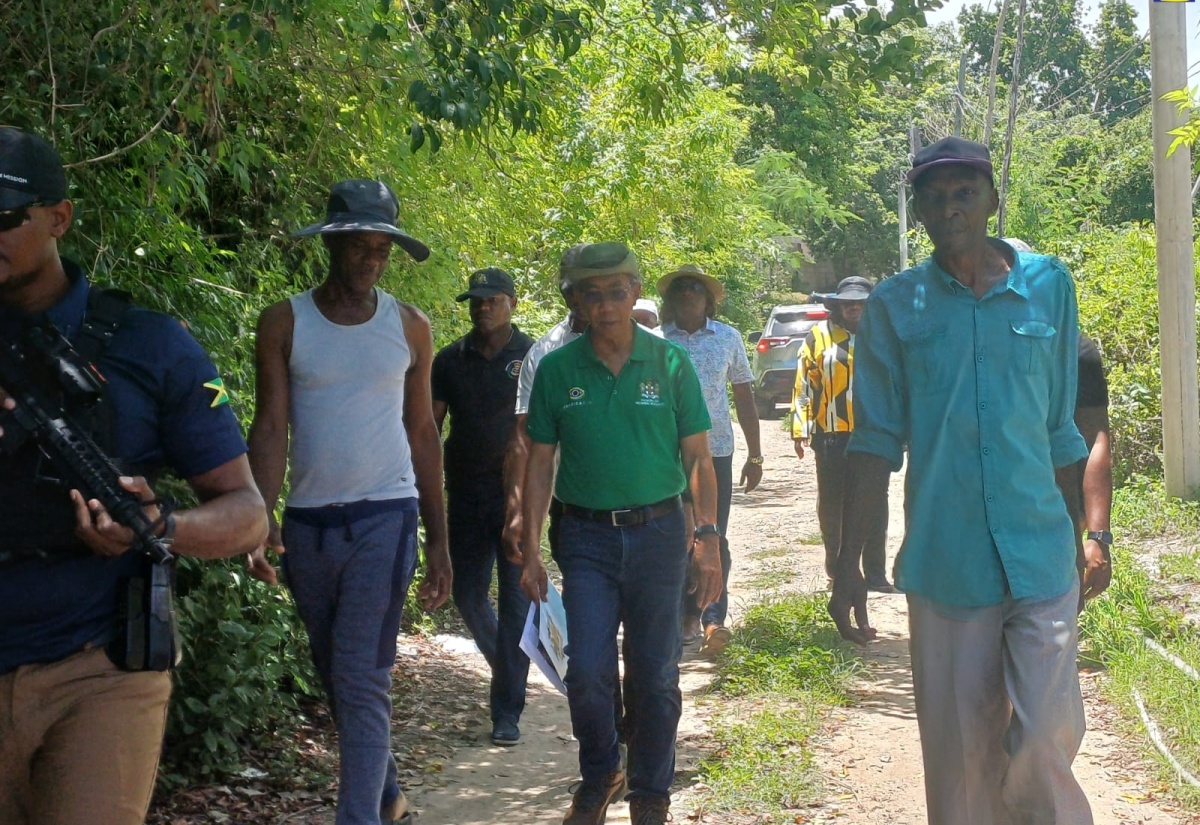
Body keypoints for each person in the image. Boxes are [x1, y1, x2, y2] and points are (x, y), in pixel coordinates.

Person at [0, 127, 268, 825]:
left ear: (58, 219)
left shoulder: (151, 345)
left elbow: (247, 512)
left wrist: (160, 524)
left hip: (99, 669)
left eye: (4, 213)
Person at [830, 137, 1098, 824]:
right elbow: (875, 442)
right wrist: (847, 565)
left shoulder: (1049, 285)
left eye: (964, 193)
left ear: (991, 200)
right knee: (960, 754)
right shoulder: (896, 304)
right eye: (935, 196)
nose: (950, 207)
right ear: (918, 209)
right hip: (947, 560)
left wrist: (1084, 533)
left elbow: (1061, 428)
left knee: (1046, 734)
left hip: (1039, 550)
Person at [246, 180, 452, 825]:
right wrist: (259, 514)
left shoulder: (409, 326)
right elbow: (271, 424)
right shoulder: (285, 321)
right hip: (309, 524)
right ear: (331, 245)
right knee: (337, 672)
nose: (370, 261)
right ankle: (387, 795)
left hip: (386, 516)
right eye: (358, 247)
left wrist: (439, 539)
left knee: (362, 676)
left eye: (381, 250)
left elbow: (423, 432)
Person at [520, 242, 722, 825]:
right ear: (576, 302)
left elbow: (699, 460)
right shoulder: (557, 370)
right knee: (586, 671)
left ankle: (651, 794)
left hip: (661, 535)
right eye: (592, 293)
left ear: (635, 293)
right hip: (585, 539)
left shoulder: (670, 365)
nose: (605, 305)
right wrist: (530, 546)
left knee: (656, 673)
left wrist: (707, 541)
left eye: (616, 291)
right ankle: (603, 769)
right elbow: (537, 462)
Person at [431, 267, 534, 746]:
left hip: (520, 496)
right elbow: (429, 428)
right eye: (476, 300)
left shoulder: (534, 355)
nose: (483, 307)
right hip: (466, 491)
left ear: (512, 302)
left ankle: (506, 711)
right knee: (468, 593)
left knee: (516, 601)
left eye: (492, 299)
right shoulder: (449, 360)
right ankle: (508, 669)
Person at [657, 263, 762, 653]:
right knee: (678, 536)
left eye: (696, 288)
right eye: (680, 288)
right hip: (665, 453)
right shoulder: (654, 340)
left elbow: (745, 396)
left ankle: (713, 619)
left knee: (712, 533)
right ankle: (682, 614)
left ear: (709, 299)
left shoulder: (728, 338)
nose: (688, 293)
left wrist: (757, 454)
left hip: (715, 451)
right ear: (669, 300)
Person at [1005, 239, 1113, 608]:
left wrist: (1096, 534)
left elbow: (1096, 440)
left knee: (1051, 637)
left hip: (1057, 514)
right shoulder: (973, 347)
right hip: (984, 517)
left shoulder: (1077, 351)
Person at [790, 276, 892, 592]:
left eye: (859, 302)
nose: (853, 307)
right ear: (836, 304)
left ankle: (875, 572)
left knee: (875, 501)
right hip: (831, 435)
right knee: (833, 503)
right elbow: (804, 386)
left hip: (874, 434)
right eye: (847, 302)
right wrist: (800, 427)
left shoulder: (884, 336)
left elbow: (898, 384)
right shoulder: (818, 337)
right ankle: (838, 567)